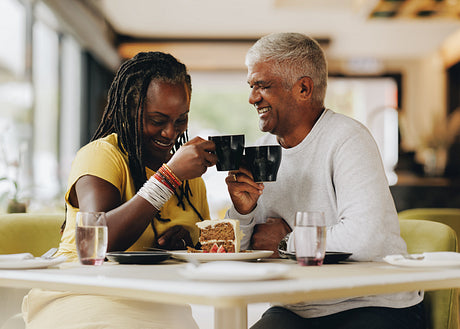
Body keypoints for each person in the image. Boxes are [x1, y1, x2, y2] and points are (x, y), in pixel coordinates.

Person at [225, 33, 425, 329]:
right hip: (297, 308)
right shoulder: (262, 149)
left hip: (372, 303)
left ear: (303, 88)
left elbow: (364, 238)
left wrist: (285, 242)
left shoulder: (348, 139)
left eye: (262, 86)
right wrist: (243, 213)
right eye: (251, 86)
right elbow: (243, 248)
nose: (253, 97)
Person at [22, 51, 217, 329]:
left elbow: (209, 254)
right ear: (129, 110)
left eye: (181, 119)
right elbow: (99, 241)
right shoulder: (102, 155)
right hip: (82, 294)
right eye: (158, 120)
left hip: (159, 304)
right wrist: (169, 177)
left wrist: (187, 244)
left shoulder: (191, 178)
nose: (170, 132)